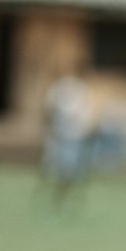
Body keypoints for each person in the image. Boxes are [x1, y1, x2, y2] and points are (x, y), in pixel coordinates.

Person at [41, 69, 92, 208]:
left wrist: (85, 128)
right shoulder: (57, 88)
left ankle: (67, 195)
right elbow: (49, 109)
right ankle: (56, 196)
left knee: (71, 168)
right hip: (60, 134)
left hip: (75, 135)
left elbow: (85, 112)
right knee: (57, 167)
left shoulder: (80, 89)